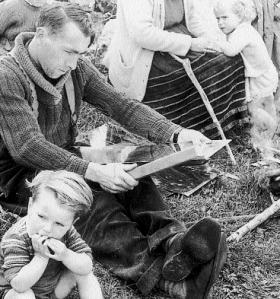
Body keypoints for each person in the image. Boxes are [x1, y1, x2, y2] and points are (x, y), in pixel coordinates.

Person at [0, 3, 227, 298]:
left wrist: (176, 133)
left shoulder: (76, 68)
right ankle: (164, 277)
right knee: (88, 201)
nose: (74, 63)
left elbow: (122, 106)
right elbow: (26, 146)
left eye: (80, 54)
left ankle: (174, 242)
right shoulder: (7, 75)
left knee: (133, 174)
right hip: (20, 174)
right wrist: (93, 172)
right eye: (69, 52)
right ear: (41, 35)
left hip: (64, 154)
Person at [103, 0, 249, 138]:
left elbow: (193, 21)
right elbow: (142, 34)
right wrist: (190, 43)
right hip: (145, 57)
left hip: (180, 42)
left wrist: (212, 41)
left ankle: (223, 127)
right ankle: (185, 133)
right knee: (204, 72)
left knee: (229, 59)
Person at [0, 170, 103, 299]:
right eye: (42, 216)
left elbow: (87, 266)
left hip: (52, 291)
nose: (47, 229)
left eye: (59, 224)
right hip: (16, 291)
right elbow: (18, 285)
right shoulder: (16, 238)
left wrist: (65, 255)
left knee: (83, 273)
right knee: (23, 295)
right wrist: (41, 257)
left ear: (72, 222)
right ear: (31, 205)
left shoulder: (68, 232)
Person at [214, 0, 278, 149]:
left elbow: (230, 50)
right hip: (264, 73)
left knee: (255, 108)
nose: (220, 23)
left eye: (224, 18)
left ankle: (266, 138)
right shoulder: (243, 29)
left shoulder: (242, 32)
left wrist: (216, 41)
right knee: (266, 105)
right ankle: (271, 136)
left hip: (261, 77)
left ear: (239, 16)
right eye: (217, 19)